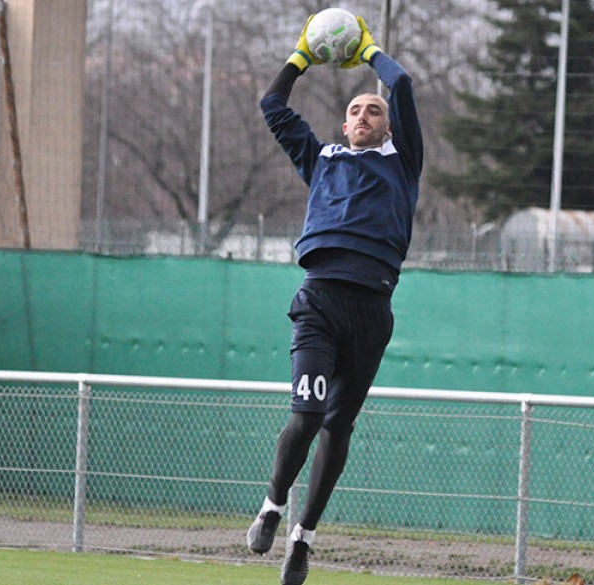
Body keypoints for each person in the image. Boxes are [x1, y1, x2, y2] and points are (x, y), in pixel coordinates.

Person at [246, 12, 422, 585]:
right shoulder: (321, 160)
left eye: (373, 110)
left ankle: (304, 539)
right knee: (308, 412)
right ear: (344, 127)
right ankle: (274, 506)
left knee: (338, 427)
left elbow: (403, 86)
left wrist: (369, 49)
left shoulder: (403, 163)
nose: (363, 114)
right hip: (319, 299)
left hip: (372, 307)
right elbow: (273, 107)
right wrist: (301, 55)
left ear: (388, 127)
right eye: (354, 110)